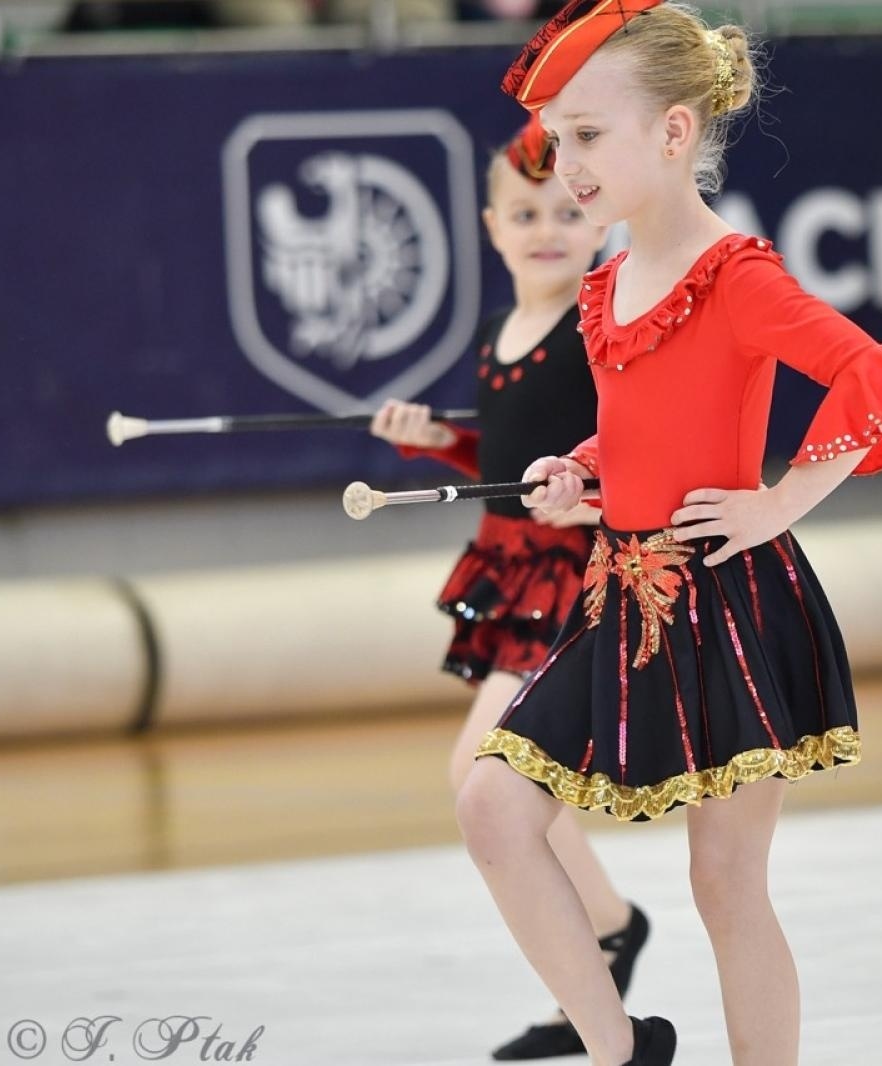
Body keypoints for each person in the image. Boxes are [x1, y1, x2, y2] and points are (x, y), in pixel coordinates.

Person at [454, 3, 882, 1063]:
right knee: (492, 804)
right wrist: (582, 471)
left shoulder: (737, 276)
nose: (567, 165)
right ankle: (621, 1047)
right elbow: (641, 425)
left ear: (674, 133)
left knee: (724, 880)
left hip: (728, 600)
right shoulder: (605, 286)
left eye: (589, 135)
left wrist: (780, 500)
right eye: (559, 140)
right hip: (616, 594)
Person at [370, 115, 648, 1060]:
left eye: (564, 212)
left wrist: (594, 500)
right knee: (496, 775)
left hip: (573, 576)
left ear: (598, 218)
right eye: (523, 214)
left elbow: (632, 453)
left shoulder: (595, 331)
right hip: (513, 572)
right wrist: (435, 443)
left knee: (483, 770)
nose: (546, 231)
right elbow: (501, 464)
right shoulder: (498, 334)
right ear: (491, 228)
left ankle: (607, 934)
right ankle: (607, 931)